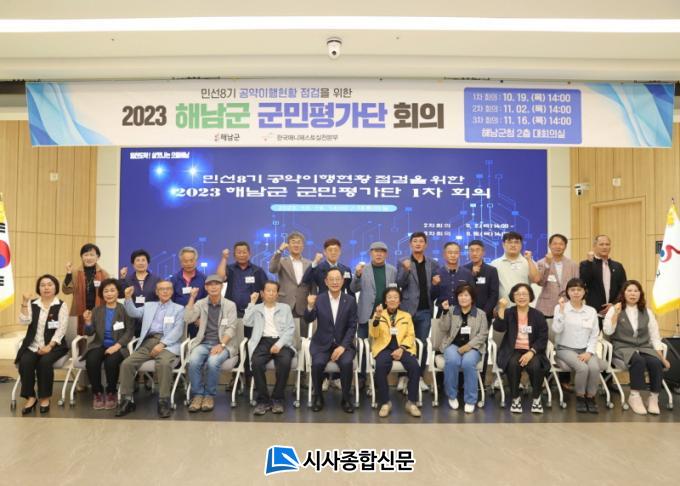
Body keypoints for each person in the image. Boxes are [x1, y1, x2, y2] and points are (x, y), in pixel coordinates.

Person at [116, 280, 184, 419]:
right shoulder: (149, 306)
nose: (165, 291)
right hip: (148, 342)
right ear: (157, 292)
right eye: (162, 289)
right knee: (127, 364)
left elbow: (178, 331)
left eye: (168, 289)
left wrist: (162, 344)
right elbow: (133, 313)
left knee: (163, 364)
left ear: (172, 291)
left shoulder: (179, 308)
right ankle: (126, 400)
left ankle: (164, 401)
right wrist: (128, 297)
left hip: (168, 344)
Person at [603, 280, 671, 415]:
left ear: (640, 294)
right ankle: (635, 396)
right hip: (623, 348)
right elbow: (608, 331)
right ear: (623, 293)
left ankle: (653, 398)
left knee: (655, 362)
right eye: (629, 291)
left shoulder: (647, 312)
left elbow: (655, 337)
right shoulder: (614, 309)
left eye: (636, 291)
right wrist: (616, 313)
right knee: (638, 360)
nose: (633, 294)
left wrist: (662, 358)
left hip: (644, 347)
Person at [304, 268, 358, 413]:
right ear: (326, 282)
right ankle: (318, 397)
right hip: (322, 344)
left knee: (346, 363)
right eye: (331, 279)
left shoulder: (350, 300)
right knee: (317, 364)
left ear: (343, 281)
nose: (335, 282)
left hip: (343, 344)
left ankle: (346, 398)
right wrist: (310, 306)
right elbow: (308, 319)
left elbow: (352, 326)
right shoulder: (319, 299)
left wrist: (342, 346)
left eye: (337, 279)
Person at [16, 275, 69, 414]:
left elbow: (61, 329)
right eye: (43, 285)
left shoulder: (61, 305)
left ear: (55, 287)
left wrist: (49, 346)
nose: (46, 287)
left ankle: (45, 397)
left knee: (44, 362)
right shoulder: (32, 304)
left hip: (55, 345)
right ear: (38, 288)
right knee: (25, 362)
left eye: (50, 284)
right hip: (33, 345)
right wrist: (24, 302)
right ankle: (30, 397)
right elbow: (24, 321)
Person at [184, 275, 238, 413]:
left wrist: (221, 345)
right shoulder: (200, 303)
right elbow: (188, 318)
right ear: (206, 287)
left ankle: (209, 395)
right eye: (210, 284)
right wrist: (192, 298)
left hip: (224, 344)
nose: (213, 287)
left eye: (217, 284)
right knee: (193, 361)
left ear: (222, 286)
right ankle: (198, 395)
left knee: (213, 362)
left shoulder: (230, 305)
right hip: (203, 343)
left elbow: (231, 328)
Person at [551, 278, 606, 413]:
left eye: (579, 290)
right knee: (582, 368)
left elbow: (594, 334)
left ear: (584, 292)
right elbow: (556, 329)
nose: (576, 292)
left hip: (585, 349)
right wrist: (562, 312)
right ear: (567, 292)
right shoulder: (560, 308)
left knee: (594, 367)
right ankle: (580, 397)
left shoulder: (591, 311)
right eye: (572, 290)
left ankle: (591, 397)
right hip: (565, 349)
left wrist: (589, 352)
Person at [494, 283, 550, 414]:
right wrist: (501, 308)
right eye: (518, 294)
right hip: (512, 350)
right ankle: (515, 398)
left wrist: (532, 352)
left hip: (533, 350)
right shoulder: (509, 312)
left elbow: (543, 337)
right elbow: (499, 328)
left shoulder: (538, 315)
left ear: (530, 296)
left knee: (536, 366)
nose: (521, 297)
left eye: (524, 294)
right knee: (513, 364)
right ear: (513, 297)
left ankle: (536, 398)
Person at [244, 281, 296, 416]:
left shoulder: (285, 308)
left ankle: (277, 399)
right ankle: (263, 400)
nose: (271, 293)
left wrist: (279, 344)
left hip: (282, 341)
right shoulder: (256, 308)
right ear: (262, 293)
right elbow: (246, 322)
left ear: (277, 294)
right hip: (262, 341)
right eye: (268, 290)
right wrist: (251, 303)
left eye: (274, 291)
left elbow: (290, 329)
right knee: (256, 363)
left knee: (284, 362)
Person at [350, 241, 397, 390]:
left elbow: (395, 292)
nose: (379, 254)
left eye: (382, 251)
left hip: (385, 317)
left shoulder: (392, 270)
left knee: (382, 348)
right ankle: (361, 378)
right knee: (362, 348)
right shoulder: (363, 269)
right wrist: (357, 275)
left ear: (386, 254)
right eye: (376, 251)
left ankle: (378, 379)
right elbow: (353, 288)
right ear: (370, 253)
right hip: (365, 314)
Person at [82, 278, 135, 410]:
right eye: (106, 291)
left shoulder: (125, 309)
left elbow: (130, 331)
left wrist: (117, 346)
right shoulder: (97, 310)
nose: (109, 294)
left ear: (118, 292)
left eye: (112, 290)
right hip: (99, 344)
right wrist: (88, 322)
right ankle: (97, 392)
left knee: (111, 362)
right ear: (102, 294)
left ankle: (111, 392)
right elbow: (89, 332)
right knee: (91, 360)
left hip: (119, 346)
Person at [396, 232, 440, 391]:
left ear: (426, 244)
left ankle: (419, 376)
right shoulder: (403, 262)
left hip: (425, 310)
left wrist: (436, 284)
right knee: (404, 343)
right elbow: (399, 283)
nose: (418, 244)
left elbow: (435, 289)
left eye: (421, 241)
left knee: (422, 344)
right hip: (406, 310)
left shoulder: (433, 263)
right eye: (415, 241)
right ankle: (403, 377)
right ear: (410, 244)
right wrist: (406, 269)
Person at [369, 288, 421, 418]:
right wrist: (377, 317)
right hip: (384, 348)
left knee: (415, 366)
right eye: (389, 297)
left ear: (400, 301)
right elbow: (373, 334)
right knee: (380, 366)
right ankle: (385, 402)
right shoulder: (379, 314)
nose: (392, 300)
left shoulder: (406, 316)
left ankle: (411, 402)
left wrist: (402, 348)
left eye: (395, 297)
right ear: (385, 301)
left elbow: (411, 335)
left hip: (403, 348)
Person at [439, 284, 489, 413]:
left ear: (472, 298)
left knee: (468, 362)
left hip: (473, 347)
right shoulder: (451, 310)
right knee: (452, 361)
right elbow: (443, 328)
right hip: (453, 345)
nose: (463, 298)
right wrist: (445, 311)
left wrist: (468, 346)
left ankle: (470, 400)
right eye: (460, 295)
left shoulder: (481, 314)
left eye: (466, 295)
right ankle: (452, 396)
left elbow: (483, 334)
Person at [63, 243, 110, 338]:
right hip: (79, 310)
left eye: (92, 255)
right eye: (86, 255)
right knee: (80, 336)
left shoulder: (104, 274)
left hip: (98, 310)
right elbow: (66, 291)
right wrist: (68, 273)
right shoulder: (75, 273)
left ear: (97, 257)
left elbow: (109, 293)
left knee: (98, 336)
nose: (89, 258)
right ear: (82, 257)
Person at [579, 235, 627, 324]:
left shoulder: (618, 266)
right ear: (594, 246)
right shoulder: (586, 264)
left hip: (614, 312)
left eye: (607, 244)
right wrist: (589, 262)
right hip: (593, 313)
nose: (605, 247)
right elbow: (583, 282)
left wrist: (613, 304)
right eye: (601, 244)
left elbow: (623, 288)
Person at [269, 231, 313, 318]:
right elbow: (272, 269)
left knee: (302, 327)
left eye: (299, 242)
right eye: (293, 242)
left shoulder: (309, 264)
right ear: (288, 246)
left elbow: (312, 284)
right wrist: (279, 251)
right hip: (285, 303)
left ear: (303, 246)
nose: (296, 245)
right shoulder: (281, 261)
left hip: (303, 304)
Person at [119, 249, 161, 336]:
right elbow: (121, 295)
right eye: (137, 260)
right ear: (133, 264)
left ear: (148, 263)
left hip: (151, 319)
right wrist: (122, 278)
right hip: (132, 320)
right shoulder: (127, 280)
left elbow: (161, 298)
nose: (141, 263)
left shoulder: (156, 280)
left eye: (143, 260)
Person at [535, 234, 579, 318]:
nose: (558, 246)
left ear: (565, 246)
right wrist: (547, 265)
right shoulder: (541, 263)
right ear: (549, 245)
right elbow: (540, 282)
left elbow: (577, 286)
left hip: (567, 305)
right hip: (546, 307)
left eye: (561, 244)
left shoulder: (573, 264)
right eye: (555, 244)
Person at [490, 231, 540, 302]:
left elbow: (536, 279)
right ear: (503, 244)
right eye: (510, 242)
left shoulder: (528, 262)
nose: (513, 245)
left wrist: (529, 260)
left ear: (521, 245)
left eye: (516, 242)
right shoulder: (495, 264)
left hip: (522, 305)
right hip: (503, 306)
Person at [169, 246, 207, 338]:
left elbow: (207, 301)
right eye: (185, 261)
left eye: (191, 260)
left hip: (197, 321)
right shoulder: (174, 279)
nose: (189, 264)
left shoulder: (203, 278)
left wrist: (202, 318)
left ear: (196, 261)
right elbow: (170, 301)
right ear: (181, 262)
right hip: (178, 321)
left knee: (195, 344)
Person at [430, 241, 476, 315]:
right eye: (450, 252)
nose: (453, 255)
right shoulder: (437, 273)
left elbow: (473, 295)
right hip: (443, 313)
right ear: (444, 255)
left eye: (456, 253)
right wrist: (434, 284)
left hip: (463, 313)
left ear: (459, 254)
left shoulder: (467, 273)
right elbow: (432, 297)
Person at [463, 240, 499, 323]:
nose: (474, 253)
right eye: (471, 250)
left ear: (483, 252)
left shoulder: (491, 270)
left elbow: (494, 295)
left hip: (485, 314)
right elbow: (462, 291)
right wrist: (472, 275)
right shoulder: (463, 269)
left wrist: (484, 313)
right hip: (466, 313)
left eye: (477, 250)